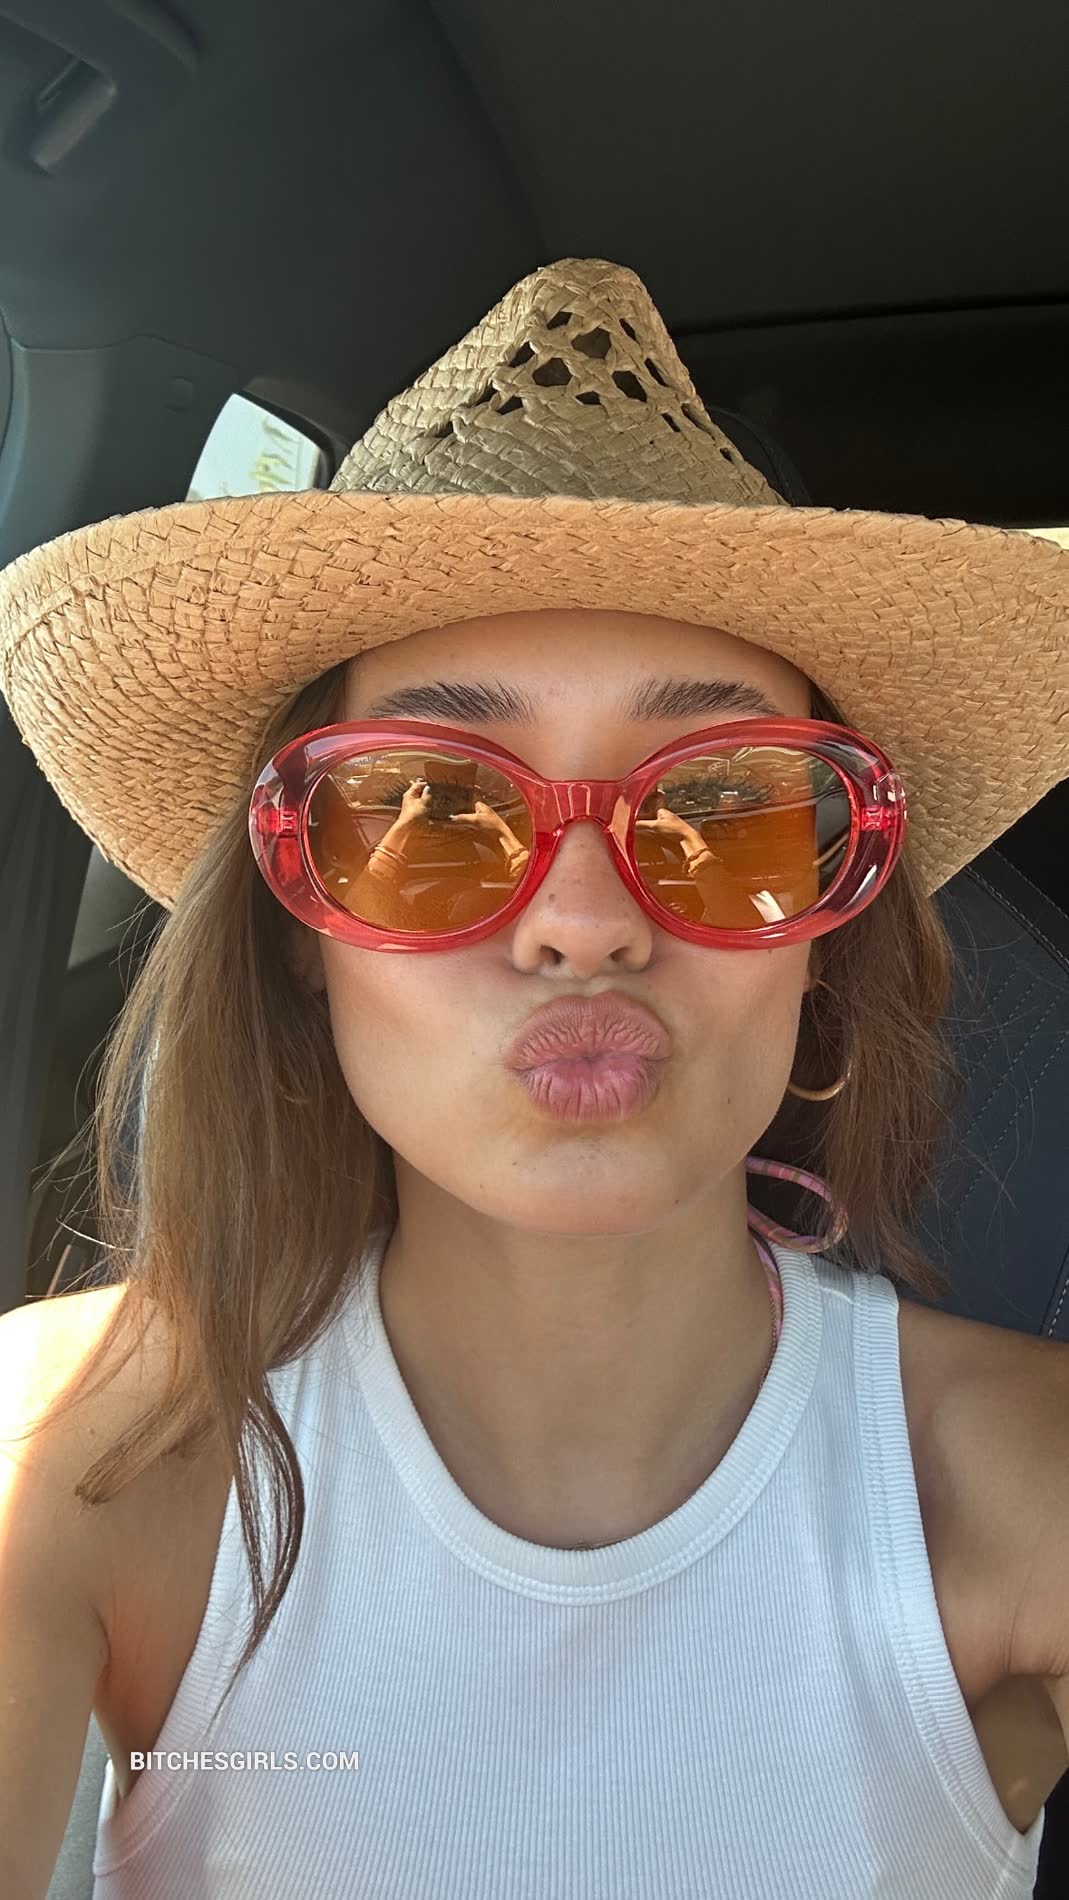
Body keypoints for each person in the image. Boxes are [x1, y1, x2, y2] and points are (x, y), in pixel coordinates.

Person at [0, 257, 1066, 1899]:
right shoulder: (62, 1457)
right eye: (427, 813)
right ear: (296, 925)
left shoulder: (1018, 1478)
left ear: (823, 929)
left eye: (723, 811)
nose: (584, 922)